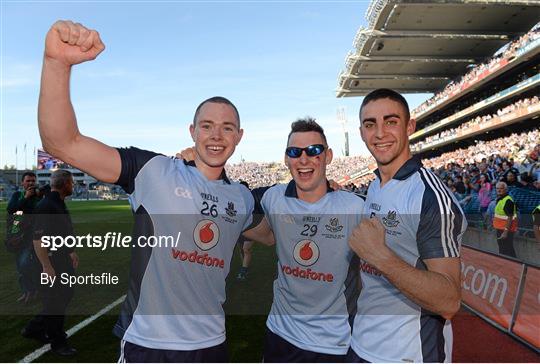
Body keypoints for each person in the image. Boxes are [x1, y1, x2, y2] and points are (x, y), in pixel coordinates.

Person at [38, 20, 256, 362]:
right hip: (149, 346)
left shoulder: (242, 198)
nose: (216, 135)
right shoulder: (153, 171)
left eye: (227, 128)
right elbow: (64, 143)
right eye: (207, 126)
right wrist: (56, 64)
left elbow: (274, 232)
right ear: (192, 131)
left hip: (214, 346)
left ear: (239, 137)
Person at [348, 88, 467, 363]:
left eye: (390, 121)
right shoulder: (377, 185)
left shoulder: (430, 197)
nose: (379, 133)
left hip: (407, 355)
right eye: (370, 125)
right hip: (361, 344)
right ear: (362, 132)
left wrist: (380, 257)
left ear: (409, 126)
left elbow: (449, 302)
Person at [243, 118, 365, 362]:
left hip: (331, 344)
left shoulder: (355, 208)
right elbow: (262, 233)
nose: (304, 158)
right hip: (279, 333)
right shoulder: (273, 197)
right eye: (294, 152)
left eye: (314, 150)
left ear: (328, 156)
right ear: (286, 158)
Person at [21, 170, 79, 356]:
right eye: (71, 182)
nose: (73, 185)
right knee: (55, 301)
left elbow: (61, 231)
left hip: (61, 258)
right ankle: (58, 343)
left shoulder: (57, 202)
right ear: (65, 184)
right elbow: (38, 239)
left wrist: (70, 251)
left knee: (65, 295)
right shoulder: (47, 205)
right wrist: (46, 265)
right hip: (51, 261)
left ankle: (34, 328)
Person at [7, 172, 41, 303]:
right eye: (28, 181)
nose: (31, 183)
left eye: (33, 181)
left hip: (33, 235)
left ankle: (33, 290)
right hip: (18, 235)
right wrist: (26, 198)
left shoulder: (39, 196)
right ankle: (27, 291)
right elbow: (12, 210)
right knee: (20, 265)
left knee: (25, 263)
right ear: (22, 183)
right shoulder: (18, 195)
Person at [236, 181, 255, 280]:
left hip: (251, 227)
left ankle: (243, 271)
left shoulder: (252, 198)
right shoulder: (236, 199)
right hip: (240, 228)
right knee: (241, 249)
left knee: (246, 249)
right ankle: (245, 267)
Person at [493, 182, 518, 257]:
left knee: (507, 250)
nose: (499, 190)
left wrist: (505, 232)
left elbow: (510, 217)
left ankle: (513, 266)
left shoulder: (508, 201)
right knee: (504, 250)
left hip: (506, 230)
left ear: (506, 189)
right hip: (501, 229)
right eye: (497, 188)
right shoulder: (500, 199)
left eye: (501, 188)